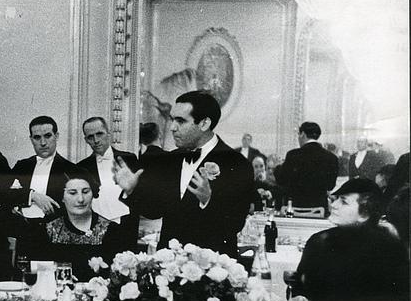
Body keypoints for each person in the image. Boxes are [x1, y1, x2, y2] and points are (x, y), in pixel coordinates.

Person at [114, 90, 253, 257]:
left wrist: (208, 200)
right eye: (172, 120)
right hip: (168, 266)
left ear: (204, 123)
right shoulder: (171, 159)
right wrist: (132, 190)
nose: (172, 127)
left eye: (180, 121)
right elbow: (154, 211)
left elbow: (235, 223)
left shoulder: (236, 163)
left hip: (213, 269)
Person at [293, 179, 409, 301]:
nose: (333, 205)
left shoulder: (388, 248)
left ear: (365, 213)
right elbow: (300, 286)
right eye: (335, 200)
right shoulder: (318, 242)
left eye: (344, 202)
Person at [17, 170, 126, 281]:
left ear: (93, 193)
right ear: (62, 197)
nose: (80, 199)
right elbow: (33, 275)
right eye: (72, 193)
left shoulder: (112, 230)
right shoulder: (46, 230)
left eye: (85, 192)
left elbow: (118, 279)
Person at [0, 115, 79, 222]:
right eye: (37, 137)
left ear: (56, 136)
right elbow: (1, 194)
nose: (43, 143)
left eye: (48, 136)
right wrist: (32, 196)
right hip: (22, 232)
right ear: (31, 139)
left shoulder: (72, 170)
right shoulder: (22, 165)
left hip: (54, 234)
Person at [77, 117, 140, 250]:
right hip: (96, 231)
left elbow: (140, 195)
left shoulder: (129, 159)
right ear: (86, 140)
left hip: (126, 227)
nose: (96, 140)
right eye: (90, 137)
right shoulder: (81, 167)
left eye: (99, 134)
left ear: (108, 133)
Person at [274, 122, 338, 211]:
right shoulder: (332, 158)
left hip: (294, 208)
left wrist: (277, 167)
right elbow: (330, 186)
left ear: (303, 134)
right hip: (319, 209)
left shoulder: (293, 155)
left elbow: (281, 180)